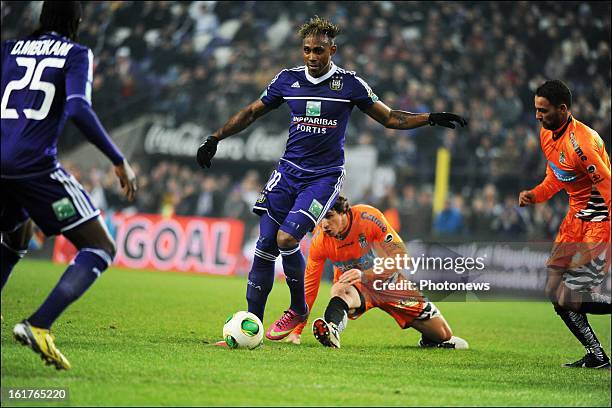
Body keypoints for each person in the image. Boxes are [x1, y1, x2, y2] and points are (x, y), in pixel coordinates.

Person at [196, 16, 467, 341]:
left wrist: (430, 118)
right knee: (265, 247)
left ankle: (298, 308)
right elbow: (252, 112)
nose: (312, 57)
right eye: (307, 50)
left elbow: (391, 118)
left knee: (286, 240)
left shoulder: (350, 84)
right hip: (286, 172)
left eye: (319, 51)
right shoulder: (287, 80)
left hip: (322, 177)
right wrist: (215, 138)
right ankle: (251, 326)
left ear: (332, 50)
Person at [1, 1, 137, 370]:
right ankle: (38, 324)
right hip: (33, 167)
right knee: (100, 246)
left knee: (16, 232)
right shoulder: (76, 53)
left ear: (41, 18)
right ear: (77, 20)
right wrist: (117, 159)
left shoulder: (8, 49)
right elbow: (77, 108)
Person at [284, 196, 468, 349]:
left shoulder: (368, 217)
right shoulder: (320, 241)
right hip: (356, 287)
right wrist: (297, 331)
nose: (324, 225)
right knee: (340, 290)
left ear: (343, 212)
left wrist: (366, 275)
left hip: (389, 282)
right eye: (320, 219)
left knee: (443, 334)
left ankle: (429, 338)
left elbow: (401, 256)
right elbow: (309, 288)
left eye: (329, 217)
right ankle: (332, 330)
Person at [519, 80, 610, 369]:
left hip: (598, 223)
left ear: (563, 109)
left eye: (542, 110)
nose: (537, 116)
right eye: (536, 109)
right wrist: (536, 195)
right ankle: (596, 355)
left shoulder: (582, 144)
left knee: (568, 297)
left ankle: (596, 355)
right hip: (574, 222)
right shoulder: (547, 134)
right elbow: (556, 177)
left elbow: (608, 188)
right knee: (553, 291)